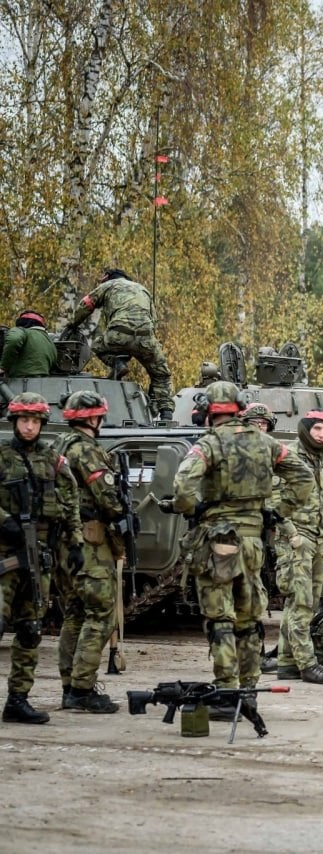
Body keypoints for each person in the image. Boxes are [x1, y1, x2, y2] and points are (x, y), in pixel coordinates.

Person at [165, 381, 312, 711]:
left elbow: (183, 486)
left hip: (218, 543)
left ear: (208, 413)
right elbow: (303, 478)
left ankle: (227, 693)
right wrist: (278, 512)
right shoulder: (267, 443)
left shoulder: (209, 444)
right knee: (248, 618)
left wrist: (192, 508)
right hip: (253, 541)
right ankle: (248, 691)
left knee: (221, 619)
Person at [1, 393, 81, 724]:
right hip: (5, 554)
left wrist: (75, 543)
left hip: (39, 556)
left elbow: (71, 498)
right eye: (24, 420)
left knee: (31, 629)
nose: (30, 426)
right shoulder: (3, 456)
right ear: (15, 422)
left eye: (35, 421)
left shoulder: (53, 459)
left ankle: (18, 699)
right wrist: (5, 520)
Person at [54, 391, 124, 713]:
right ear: (94, 418)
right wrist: (121, 510)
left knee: (74, 614)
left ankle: (70, 686)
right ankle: (82, 690)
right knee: (99, 613)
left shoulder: (57, 446)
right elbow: (108, 500)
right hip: (90, 541)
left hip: (62, 543)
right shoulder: (87, 451)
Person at [273, 410, 323, 683]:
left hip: (321, 538)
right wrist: (292, 535)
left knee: (304, 602)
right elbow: (275, 501)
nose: (321, 435)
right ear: (306, 429)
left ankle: (286, 661)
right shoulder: (289, 458)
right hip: (298, 538)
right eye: (317, 429)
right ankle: (307, 664)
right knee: (301, 601)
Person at [69, 269, 174, 420]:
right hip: (146, 337)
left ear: (107, 278)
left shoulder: (108, 285)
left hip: (118, 334)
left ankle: (118, 363)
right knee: (161, 374)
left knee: (97, 345)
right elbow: (154, 321)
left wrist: (73, 324)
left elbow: (86, 304)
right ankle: (166, 413)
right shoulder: (142, 289)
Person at [0, 311, 56, 379]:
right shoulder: (50, 342)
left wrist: (3, 367)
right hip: (43, 382)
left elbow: (14, 339)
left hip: (19, 382)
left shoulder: (23, 331)